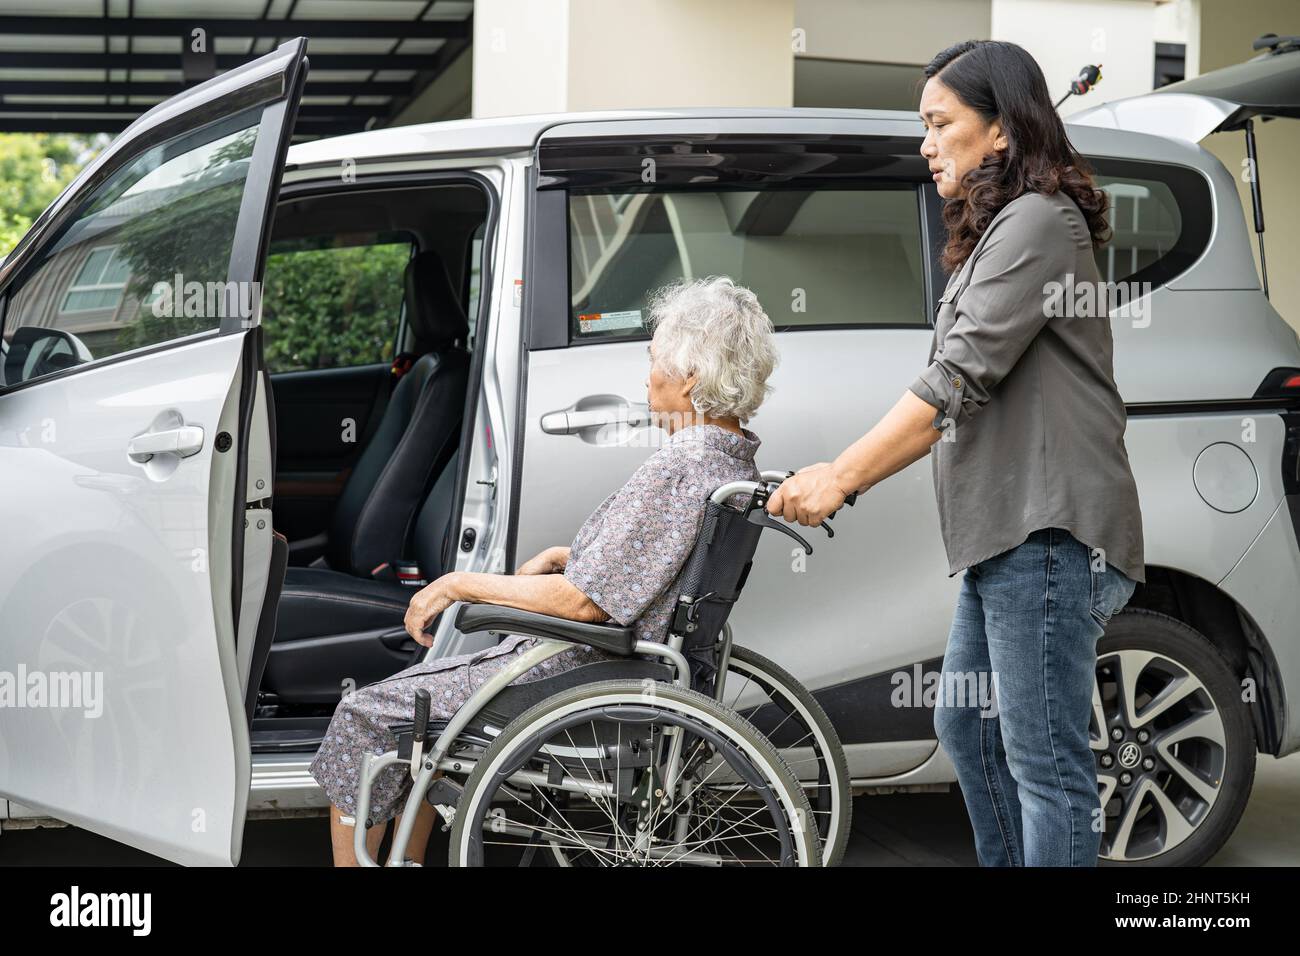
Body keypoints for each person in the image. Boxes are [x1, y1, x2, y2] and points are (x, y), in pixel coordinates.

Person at [766, 39, 1143, 866]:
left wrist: (841, 475)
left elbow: (954, 380)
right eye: (924, 126)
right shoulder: (1008, 227)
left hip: (1047, 528)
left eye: (942, 123)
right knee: (968, 728)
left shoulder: (1041, 223)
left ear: (1001, 130)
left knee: (1046, 761)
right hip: (1006, 532)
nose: (926, 143)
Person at [309, 275, 777, 865]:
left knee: (366, 713)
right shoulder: (725, 456)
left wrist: (455, 583)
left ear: (690, 377)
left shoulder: (680, 469)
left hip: (585, 669)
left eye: (653, 358)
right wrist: (567, 556)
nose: (646, 373)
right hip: (621, 660)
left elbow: (585, 605)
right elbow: (637, 569)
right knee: (418, 721)